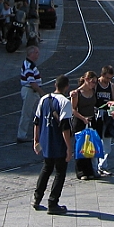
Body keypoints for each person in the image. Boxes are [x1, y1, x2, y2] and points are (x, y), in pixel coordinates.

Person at [32, 74, 74, 215]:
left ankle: (37, 198)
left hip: (46, 141)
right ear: (66, 87)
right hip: (58, 143)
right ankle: (53, 202)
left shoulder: (43, 99)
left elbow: (36, 122)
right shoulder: (65, 102)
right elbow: (65, 127)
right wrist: (69, 148)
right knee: (60, 172)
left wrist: (36, 140)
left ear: (55, 85)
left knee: (46, 168)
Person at [69, 71, 100, 180]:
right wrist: (83, 118)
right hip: (80, 122)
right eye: (92, 82)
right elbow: (73, 109)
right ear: (86, 80)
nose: (94, 84)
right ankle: (81, 171)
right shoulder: (77, 93)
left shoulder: (93, 90)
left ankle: (90, 170)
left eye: (95, 82)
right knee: (81, 147)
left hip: (91, 121)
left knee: (90, 146)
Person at [94, 65, 114, 176]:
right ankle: (95, 166)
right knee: (96, 140)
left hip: (107, 116)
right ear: (102, 75)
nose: (109, 80)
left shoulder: (111, 85)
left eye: (110, 78)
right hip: (97, 115)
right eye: (107, 78)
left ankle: (103, 165)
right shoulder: (96, 85)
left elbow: (113, 99)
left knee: (107, 142)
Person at [16, 45, 45, 142]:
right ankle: (21, 135)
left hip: (33, 92)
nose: (38, 55)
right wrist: (42, 93)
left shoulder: (30, 64)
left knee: (38, 113)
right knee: (27, 113)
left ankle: (41, 133)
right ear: (31, 54)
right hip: (30, 91)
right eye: (36, 53)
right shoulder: (28, 65)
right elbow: (32, 82)